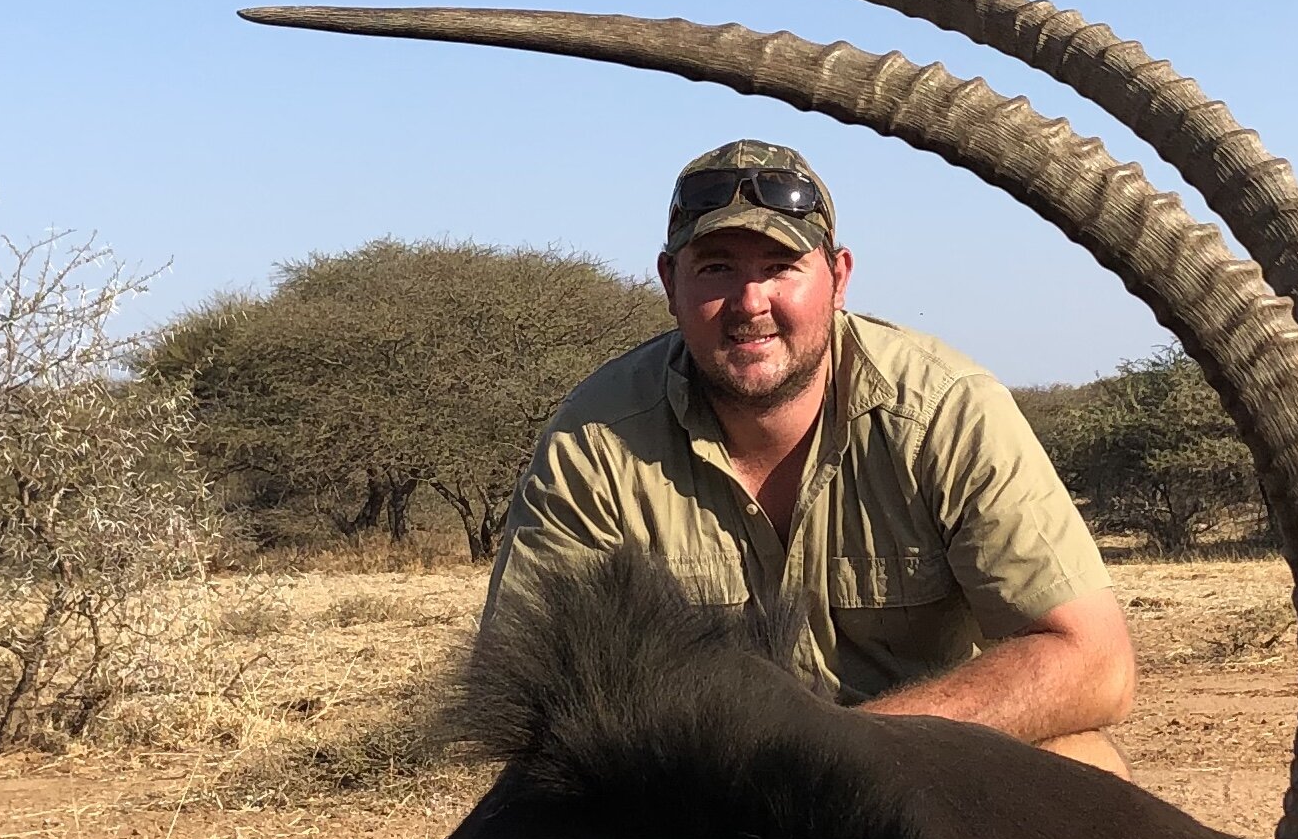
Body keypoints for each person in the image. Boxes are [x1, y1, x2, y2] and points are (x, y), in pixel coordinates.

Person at [480, 139, 1137, 770]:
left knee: (1082, 766)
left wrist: (847, 751)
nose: (749, 302)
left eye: (780, 268)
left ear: (838, 276)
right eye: (716, 269)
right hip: (700, 790)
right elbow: (527, 688)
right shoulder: (594, 436)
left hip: (920, 773)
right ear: (668, 282)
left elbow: (1094, 661)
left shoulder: (948, 410)